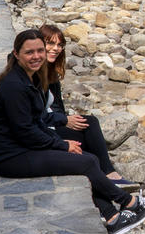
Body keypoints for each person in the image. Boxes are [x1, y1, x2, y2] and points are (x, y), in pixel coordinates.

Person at [0, 29, 145, 234]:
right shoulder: (15, 85)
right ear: (16, 54)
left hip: (23, 148)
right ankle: (127, 203)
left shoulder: (28, 78)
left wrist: (60, 141)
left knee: (86, 159)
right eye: (29, 52)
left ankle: (114, 217)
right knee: (86, 162)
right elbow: (26, 131)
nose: (37, 56)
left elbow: (37, 121)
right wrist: (61, 145)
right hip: (11, 158)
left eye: (40, 51)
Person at [39, 24, 135, 188]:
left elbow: (57, 107)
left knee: (88, 126)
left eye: (59, 45)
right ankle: (109, 175)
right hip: (41, 129)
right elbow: (34, 114)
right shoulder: (32, 73)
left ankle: (106, 175)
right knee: (90, 128)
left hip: (51, 123)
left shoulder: (51, 71)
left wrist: (65, 120)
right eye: (50, 44)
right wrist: (63, 121)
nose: (56, 49)